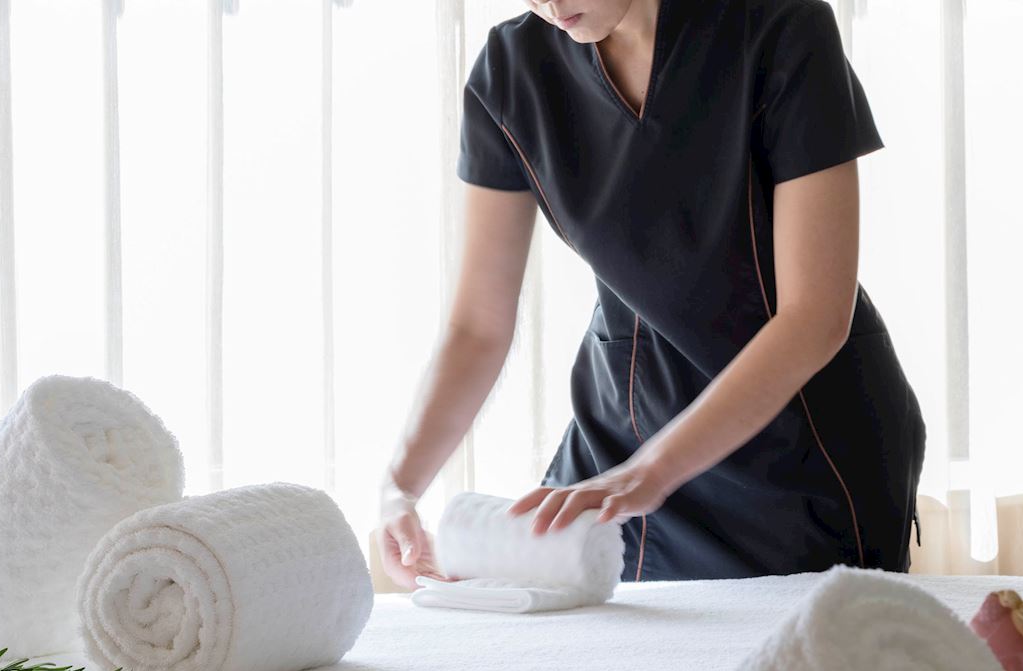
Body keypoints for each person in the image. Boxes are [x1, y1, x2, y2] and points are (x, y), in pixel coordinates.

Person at [377, 0, 924, 588]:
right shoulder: (512, 70)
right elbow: (478, 326)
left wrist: (650, 474)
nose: (554, 6)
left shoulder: (777, 25)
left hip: (800, 456)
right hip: (617, 448)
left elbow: (815, 316)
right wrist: (400, 486)